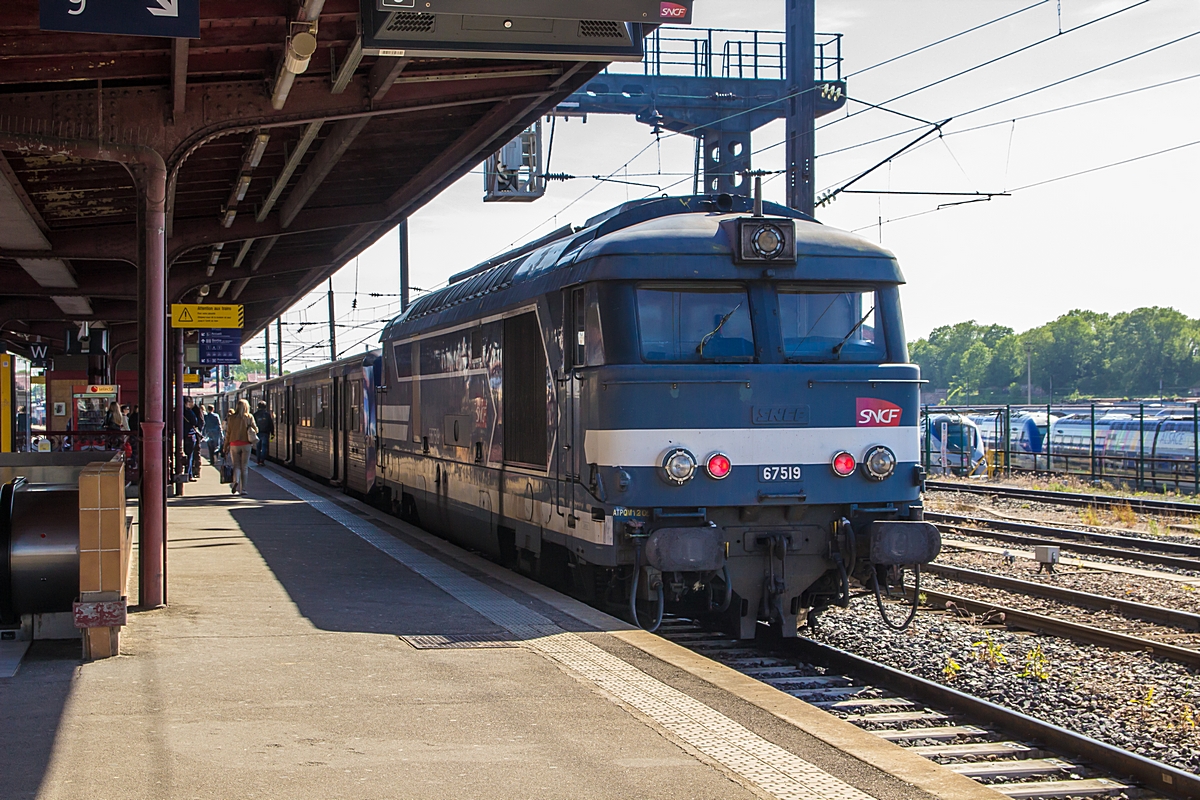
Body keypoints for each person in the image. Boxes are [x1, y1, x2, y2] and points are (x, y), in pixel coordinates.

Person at [224, 399, 258, 496]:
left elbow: (228, 433)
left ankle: (236, 481)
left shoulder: (231, 418)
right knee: (244, 467)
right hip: (246, 444)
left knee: (236, 466)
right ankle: (243, 489)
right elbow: (256, 429)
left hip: (234, 444)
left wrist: (225, 446)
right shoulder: (249, 417)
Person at [182, 397, 203, 480]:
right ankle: (189, 473)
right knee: (190, 456)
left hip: (182, 435)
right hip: (190, 435)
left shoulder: (178, 411)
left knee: (186, 454)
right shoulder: (189, 412)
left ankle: (187, 472)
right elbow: (195, 421)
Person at [252, 400, 274, 466]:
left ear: (258, 407)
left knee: (258, 447)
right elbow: (271, 424)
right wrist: (272, 433)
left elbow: (253, 424)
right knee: (264, 447)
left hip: (257, 433)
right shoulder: (267, 415)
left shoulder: (255, 414)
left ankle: (258, 460)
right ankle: (262, 460)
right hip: (265, 433)